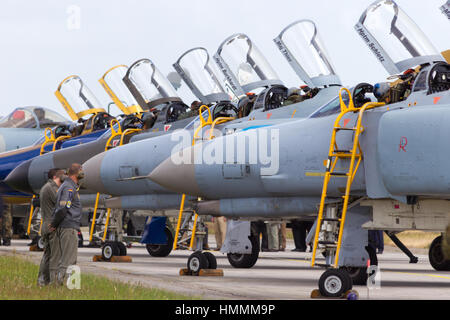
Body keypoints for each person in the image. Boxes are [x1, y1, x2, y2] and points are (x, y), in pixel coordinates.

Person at [49, 163, 83, 285]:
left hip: (66, 225)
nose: (83, 173)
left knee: (66, 258)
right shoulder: (69, 187)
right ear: (77, 173)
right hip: (68, 227)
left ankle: (62, 285)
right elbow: (63, 208)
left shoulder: (67, 186)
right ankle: (63, 286)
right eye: (81, 170)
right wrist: (54, 223)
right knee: (69, 260)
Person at [37, 168, 64, 286]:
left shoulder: (46, 187)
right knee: (54, 256)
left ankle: (42, 281)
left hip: (46, 224)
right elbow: (61, 203)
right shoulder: (52, 188)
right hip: (51, 225)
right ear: (55, 177)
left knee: (47, 255)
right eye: (61, 177)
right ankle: (51, 281)